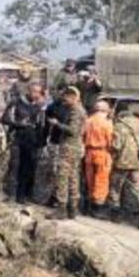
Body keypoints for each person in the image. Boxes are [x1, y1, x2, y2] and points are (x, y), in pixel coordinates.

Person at [110, 102, 139, 229]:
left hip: (121, 162)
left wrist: (112, 155)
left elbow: (116, 145)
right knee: (137, 189)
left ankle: (115, 214)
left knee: (116, 188)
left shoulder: (119, 125)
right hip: (136, 162)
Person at [3, 83, 45, 203]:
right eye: (34, 91)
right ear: (28, 90)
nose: (36, 94)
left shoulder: (38, 107)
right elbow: (5, 119)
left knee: (27, 168)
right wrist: (19, 124)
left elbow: (40, 126)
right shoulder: (16, 103)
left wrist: (41, 144)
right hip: (16, 138)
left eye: (38, 92)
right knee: (14, 166)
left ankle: (22, 196)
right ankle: (10, 194)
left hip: (31, 141)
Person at [49, 87, 86, 219]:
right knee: (73, 177)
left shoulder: (76, 111)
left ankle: (62, 208)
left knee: (63, 176)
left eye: (66, 97)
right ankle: (72, 208)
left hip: (69, 148)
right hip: (74, 148)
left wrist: (57, 124)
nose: (64, 100)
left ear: (74, 97)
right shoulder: (77, 110)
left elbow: (73, 130)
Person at [83, 100, 114, 215]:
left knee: (89, 179)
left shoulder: (88, 121)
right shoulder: (107, 123)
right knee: (101, 180)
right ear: (106, 111)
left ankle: (88, 204)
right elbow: (111, 140)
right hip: (102, 152)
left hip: (89, 152)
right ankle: (97, 207)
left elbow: (83, 136)